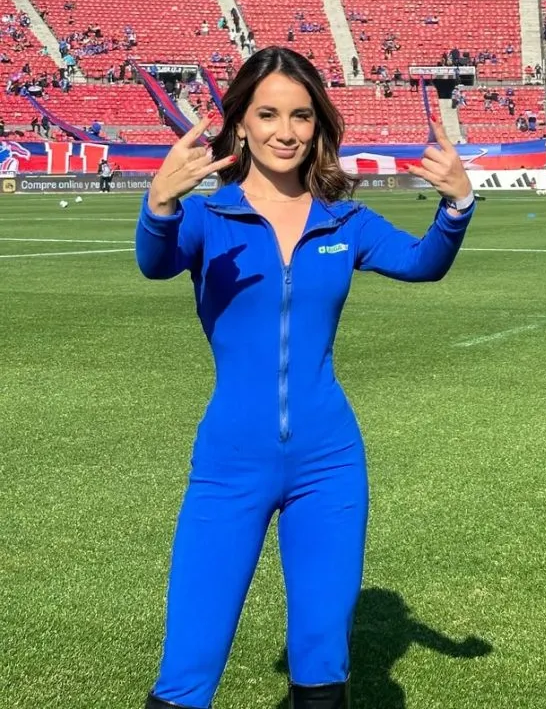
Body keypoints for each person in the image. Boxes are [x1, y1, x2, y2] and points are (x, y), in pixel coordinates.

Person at [135, 47, 475, 709]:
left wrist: (456, 206)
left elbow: (422, 262)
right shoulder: (208, 219)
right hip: (230, 465)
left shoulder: (344, 221)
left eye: (300, 116)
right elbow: (155, 261)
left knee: (322, 666)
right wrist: (159, 203)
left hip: (329, 464)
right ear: (240, 124)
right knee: (187, 671)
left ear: (318, 126)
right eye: (267, 114)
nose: (285, 131)